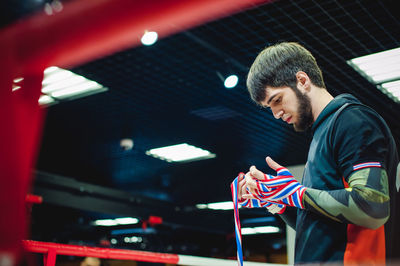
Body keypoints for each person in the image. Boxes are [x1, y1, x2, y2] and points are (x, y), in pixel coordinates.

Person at [238, 42, 400, 265]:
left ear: (303, 81)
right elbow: (318, 225)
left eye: (277, 100)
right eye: (270, 107)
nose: (275, 114)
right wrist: (278, 200)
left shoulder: (352, 121)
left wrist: (298, 194)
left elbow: (372, 206)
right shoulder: (321, 134)